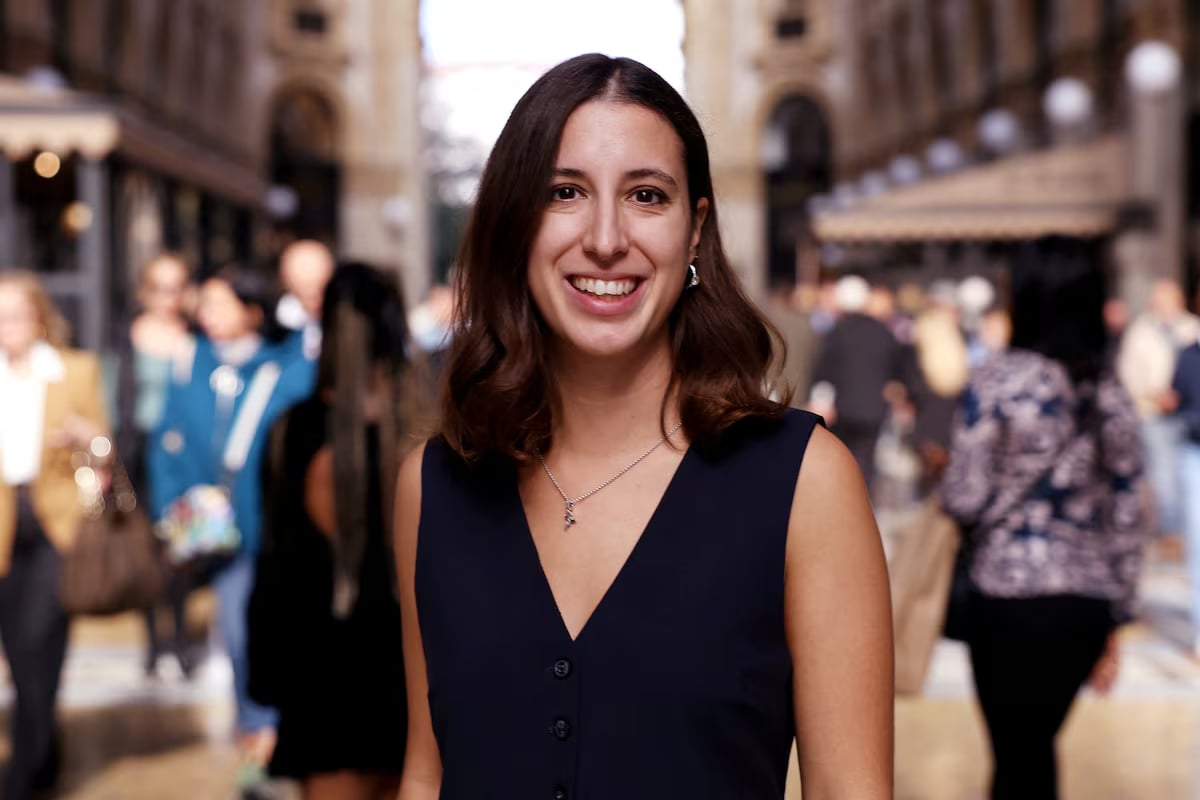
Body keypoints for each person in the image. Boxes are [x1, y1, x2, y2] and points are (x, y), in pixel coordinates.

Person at [394, 54, 893, 799]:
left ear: (694, 230)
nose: (604, 238)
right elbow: (427, 778)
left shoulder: (805, 485)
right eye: (564, 192)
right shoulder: (432, 487)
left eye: (646, 196)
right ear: (513, 224)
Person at [940, 237, 1148, 800]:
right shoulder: (1108, 393)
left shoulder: (998, 384)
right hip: (1083, 604)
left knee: (1016, 753)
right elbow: (1129, 514)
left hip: (1004, 599)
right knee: (1034, 749)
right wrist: (1118, 615)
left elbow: (963, 496)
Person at [249, 263, 419, 798]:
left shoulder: (292, 431)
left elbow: (275, 563)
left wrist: (264, 682)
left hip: (321, 674)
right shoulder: (429, 434)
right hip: (410, 670)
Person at [147, 264, 315, 785]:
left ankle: (277, 733)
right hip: (215, 532)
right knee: (239, 633)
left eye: (221, 304)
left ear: (253, 311)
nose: (208, 315)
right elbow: (167, 441)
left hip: (276, 528)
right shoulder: (190, 362)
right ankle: (256, 734)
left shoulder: (290, 368)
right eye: (207, 304)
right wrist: (170, 511)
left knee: (273, 631)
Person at [0, 271, 109, 799]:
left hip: (57, 522)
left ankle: (22, 771)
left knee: (36, 638)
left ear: (39, 317)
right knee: (18, 648)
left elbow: (106, 445)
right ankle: (42, 749)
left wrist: (89, 438)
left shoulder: (74, 370)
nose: (6, 328)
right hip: (2, 524)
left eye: (15, 315)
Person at [117, 253, 197, 678]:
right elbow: (117, 398)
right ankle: (153, 641)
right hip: (139, 452)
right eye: (160, 287)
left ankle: (182, 637)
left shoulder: (194, 337)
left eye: (176, 287)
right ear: (145, 291)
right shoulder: (127, 336)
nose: (168, 297)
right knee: (144, 548)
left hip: (182, 454)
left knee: (180, 548)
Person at [1118, 279, 1198, 546]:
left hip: (1190, 415)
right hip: (1153, 414)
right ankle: (1170, 535)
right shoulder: (1140, 332)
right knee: (1163, 479)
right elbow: (1128, 376)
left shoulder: (1192, 328)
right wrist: (1155, 394)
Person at [808, 273, 905, 488]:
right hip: (873, 410)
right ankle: (863, 508)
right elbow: (897, 369)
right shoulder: (882, 331)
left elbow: (823, 372)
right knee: (865, 464)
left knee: (842, 463)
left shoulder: (836, 332)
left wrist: (821, 402)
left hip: (844, 410)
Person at [276, 239, 335, 361]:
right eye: (305, 287)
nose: (314, 293)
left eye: (321, 287)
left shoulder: (351, 329)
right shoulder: (281, 336)